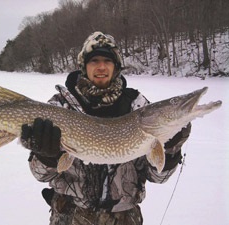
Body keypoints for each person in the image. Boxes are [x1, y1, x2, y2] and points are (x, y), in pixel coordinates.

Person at [21, 31, 191, 225]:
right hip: (69, 216)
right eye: (94, 61)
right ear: (84, 66)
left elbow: (157, 177)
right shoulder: (60, 107)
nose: (101, 67)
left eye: (107, 61)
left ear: (116, 66)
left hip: (124, 218)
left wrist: (170, 151)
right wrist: (46, 156)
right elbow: (41, 175)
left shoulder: (138, 107)